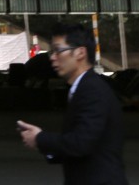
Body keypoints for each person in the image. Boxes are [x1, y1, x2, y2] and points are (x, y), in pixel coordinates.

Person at [16, 22, 127, 185]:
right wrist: (43, 144)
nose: (52, 57)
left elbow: (81, 143)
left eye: (58, 50)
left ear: (80, 53)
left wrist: (40, 138)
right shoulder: (82, 88)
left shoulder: (92, 90)